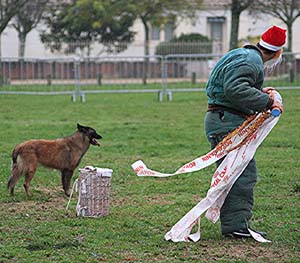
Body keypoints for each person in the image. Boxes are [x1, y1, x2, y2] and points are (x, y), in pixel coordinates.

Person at [204, 25, 286, 238]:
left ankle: (235, 225)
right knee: (243, 174)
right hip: (227, 122)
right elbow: (235, 89)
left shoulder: (242, 54)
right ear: (278, 52)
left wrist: (259, 92)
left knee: (235, 173)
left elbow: (230, 86)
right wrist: (267, 101)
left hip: (220, 119)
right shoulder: (251, 61)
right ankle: (236, 227)